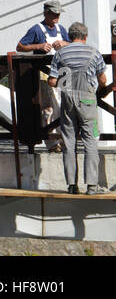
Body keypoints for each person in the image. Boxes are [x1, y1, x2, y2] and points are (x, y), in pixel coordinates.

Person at [47, 22, 108, 195]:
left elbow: (51, 81)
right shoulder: (94, 52)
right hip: (88, 100)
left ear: (70, 37)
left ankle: (72, 185)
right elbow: (102, 79)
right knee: (90, 140)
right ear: (85, 36)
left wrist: (64, 81)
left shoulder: (60, 53)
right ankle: (92, 185)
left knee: (69, 142)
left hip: (67, 99)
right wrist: (102, 87)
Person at [17, 0, 69, 151]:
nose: (56, 16)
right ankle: (52, 142)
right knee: (49, 109)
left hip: (61, 74)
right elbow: (20, 46)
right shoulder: (36, 29)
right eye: (53, 13)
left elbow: (72, 44)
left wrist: (64, 44)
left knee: (63, 106)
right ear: (46, 13)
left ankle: (64, 139)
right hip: (44, 74)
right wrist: (39, 46)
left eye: (58, 13)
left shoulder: (61, 29)